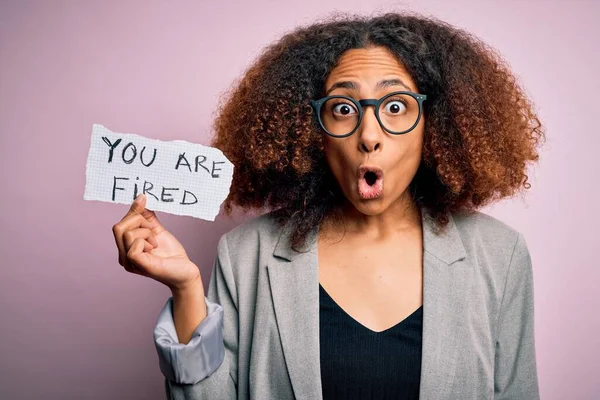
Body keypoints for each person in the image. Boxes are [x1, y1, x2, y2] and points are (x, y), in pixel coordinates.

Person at [112, 11, 544, 400]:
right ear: (310, 130)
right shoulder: (246, 254)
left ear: (436, 126)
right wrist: (186, 289)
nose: (369, 134)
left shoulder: (499, 256)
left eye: (396, 106)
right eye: (342, 108)